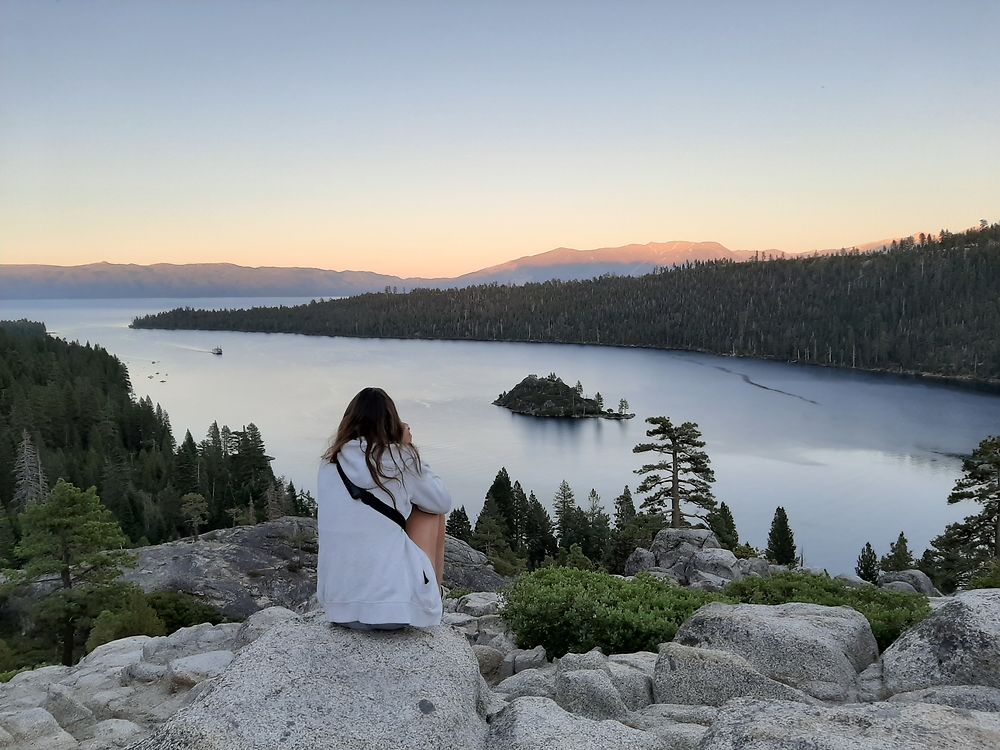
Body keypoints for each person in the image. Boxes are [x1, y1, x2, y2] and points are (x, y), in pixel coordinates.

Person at [317, 387, 452, 630]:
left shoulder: (329, 464)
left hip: (339, 610)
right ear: (392, 422)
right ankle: (433, 597)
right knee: (431, 512)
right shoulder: (400, 459)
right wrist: (409, 450)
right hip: (394, 613)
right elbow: (442, 500)